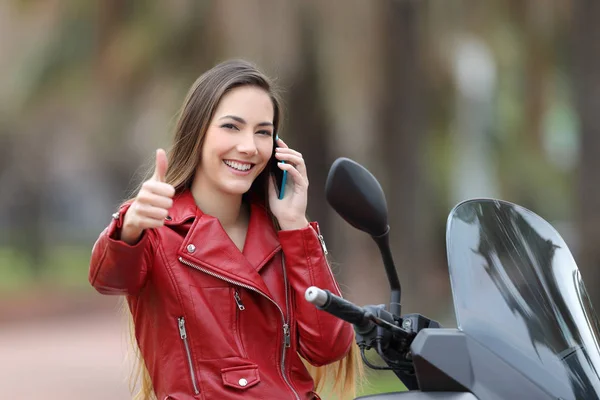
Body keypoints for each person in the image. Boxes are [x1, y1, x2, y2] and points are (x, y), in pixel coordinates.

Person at [88, 59, 363, 400]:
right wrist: (128, 228)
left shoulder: (285, 234)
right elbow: (108, 279)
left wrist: (296, 224)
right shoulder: (154, 227)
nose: (249, 146)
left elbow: (329, 346)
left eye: (263, 132)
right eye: (232, 127)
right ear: (197, 132)